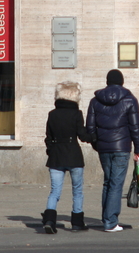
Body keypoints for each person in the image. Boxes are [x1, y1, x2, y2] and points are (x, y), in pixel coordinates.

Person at [86, 69, 139, 233]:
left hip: (103, 148)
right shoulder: (130, 100)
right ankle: (110, 222)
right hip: (122, 147)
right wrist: (138, 149)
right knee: (116, 184)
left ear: (107, 81)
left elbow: (90, 128)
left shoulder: (95, 101)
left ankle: (107, 218)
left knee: (107, 182)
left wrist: (97, 144)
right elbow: (135, 127)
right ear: (122, 82)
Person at [42, 81, 94, 234]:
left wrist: (51, 151)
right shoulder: (76, 114)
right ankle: (77, 223)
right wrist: (95, 136)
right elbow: (83, 136)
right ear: (75, 96)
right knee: (77, 191)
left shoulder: (52, 114)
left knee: (55, 191)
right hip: (74, 156)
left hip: (56, 157)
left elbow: (48, 138)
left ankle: (50, 220)